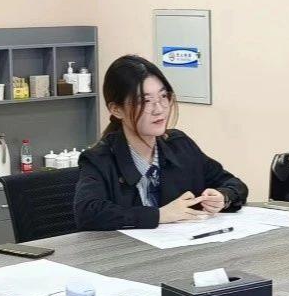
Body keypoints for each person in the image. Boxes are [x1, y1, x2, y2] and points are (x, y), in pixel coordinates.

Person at [75, 55, 247, 230]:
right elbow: (88, 213)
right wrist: (159, 215)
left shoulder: (180, 145)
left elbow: (235, 185)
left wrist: (222, 197)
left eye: (163, 96)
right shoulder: (99, 159)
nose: (159, 109)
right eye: (145, 101)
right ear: (116, 109)